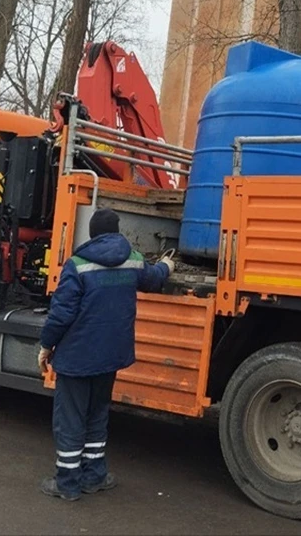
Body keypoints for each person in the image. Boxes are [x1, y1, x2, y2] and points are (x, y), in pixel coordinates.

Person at [38, 208, 174, 501]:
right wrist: (167, 266)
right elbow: (153, 280)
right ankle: (95, 477)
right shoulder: (133, 259)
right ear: (116, 231)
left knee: (71, 420)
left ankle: (68, 484)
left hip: (77, 357)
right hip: (111, 355)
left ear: (92, 233)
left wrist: (46, 346)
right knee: (97, 415)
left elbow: (61, 315)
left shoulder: (77, 264)